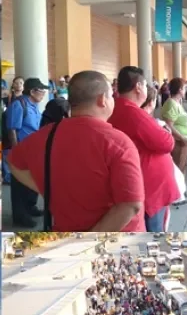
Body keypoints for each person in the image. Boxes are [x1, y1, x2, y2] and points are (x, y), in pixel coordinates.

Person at [8, 70, 145, 232]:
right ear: (102, 100)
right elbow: (131, 204)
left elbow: (13, 162)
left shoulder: (46, 135)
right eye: (111, 96)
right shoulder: (117, 142)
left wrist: (46, 188)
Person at [108, 68, 179, 233]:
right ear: (139, 87)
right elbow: (166, 143)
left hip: (136, 187)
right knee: (154, 235)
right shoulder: (134, 114)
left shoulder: (117, 108)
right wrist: (166, 132)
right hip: (149, 192)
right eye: (146, 86)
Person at [6, 78, 48, 227]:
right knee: (20, 184)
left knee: (32, 180)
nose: (43, 94)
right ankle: (20, 215)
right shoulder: (19, 105)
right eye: (41, 91)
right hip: (21, 151)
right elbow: (12, 129)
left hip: (33, 151)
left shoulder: (34, 106)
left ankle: (31, 207)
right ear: (32, 91)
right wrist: (17, 152)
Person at [160, 78, 187, 194]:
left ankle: (180, 190)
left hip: (184, 143)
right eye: (184, 88)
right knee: (178, 169)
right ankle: (174, 193)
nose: (185, 90)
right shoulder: (171, 104)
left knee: (182, 167)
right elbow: (169, 126)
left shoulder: (176, 102)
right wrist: (183, 137)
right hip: (179, 143)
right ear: (180, 90)